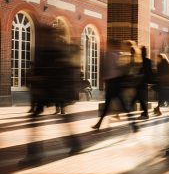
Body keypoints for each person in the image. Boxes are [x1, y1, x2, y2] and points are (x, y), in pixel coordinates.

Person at [21, 26, 82, 164]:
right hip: (45, 91)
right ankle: (35, 153)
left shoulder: (56, 51)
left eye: (45, 35)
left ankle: (36, 154)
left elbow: (60, 73)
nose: (42, 38)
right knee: (42, 119)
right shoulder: (42, 51)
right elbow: (38, 69)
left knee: (62, 119)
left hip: (54, 90)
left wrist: (40, 79)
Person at [92, 40, 138, 131]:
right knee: (118, 105)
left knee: (115, 105)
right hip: (114, 83)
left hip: (114, 83)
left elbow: (118, 69)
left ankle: (134, 124)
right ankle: (133, 124)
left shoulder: (114, 55)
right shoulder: (115, 54)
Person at [130, 46, 152, 120]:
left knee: (139, 98)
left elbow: (138, 71)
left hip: (140, 82)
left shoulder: (140, 60)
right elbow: (150, 73)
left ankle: (145, 113)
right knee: (140, 98)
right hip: (144, 82)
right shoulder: (148, 61)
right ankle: (144, 113)